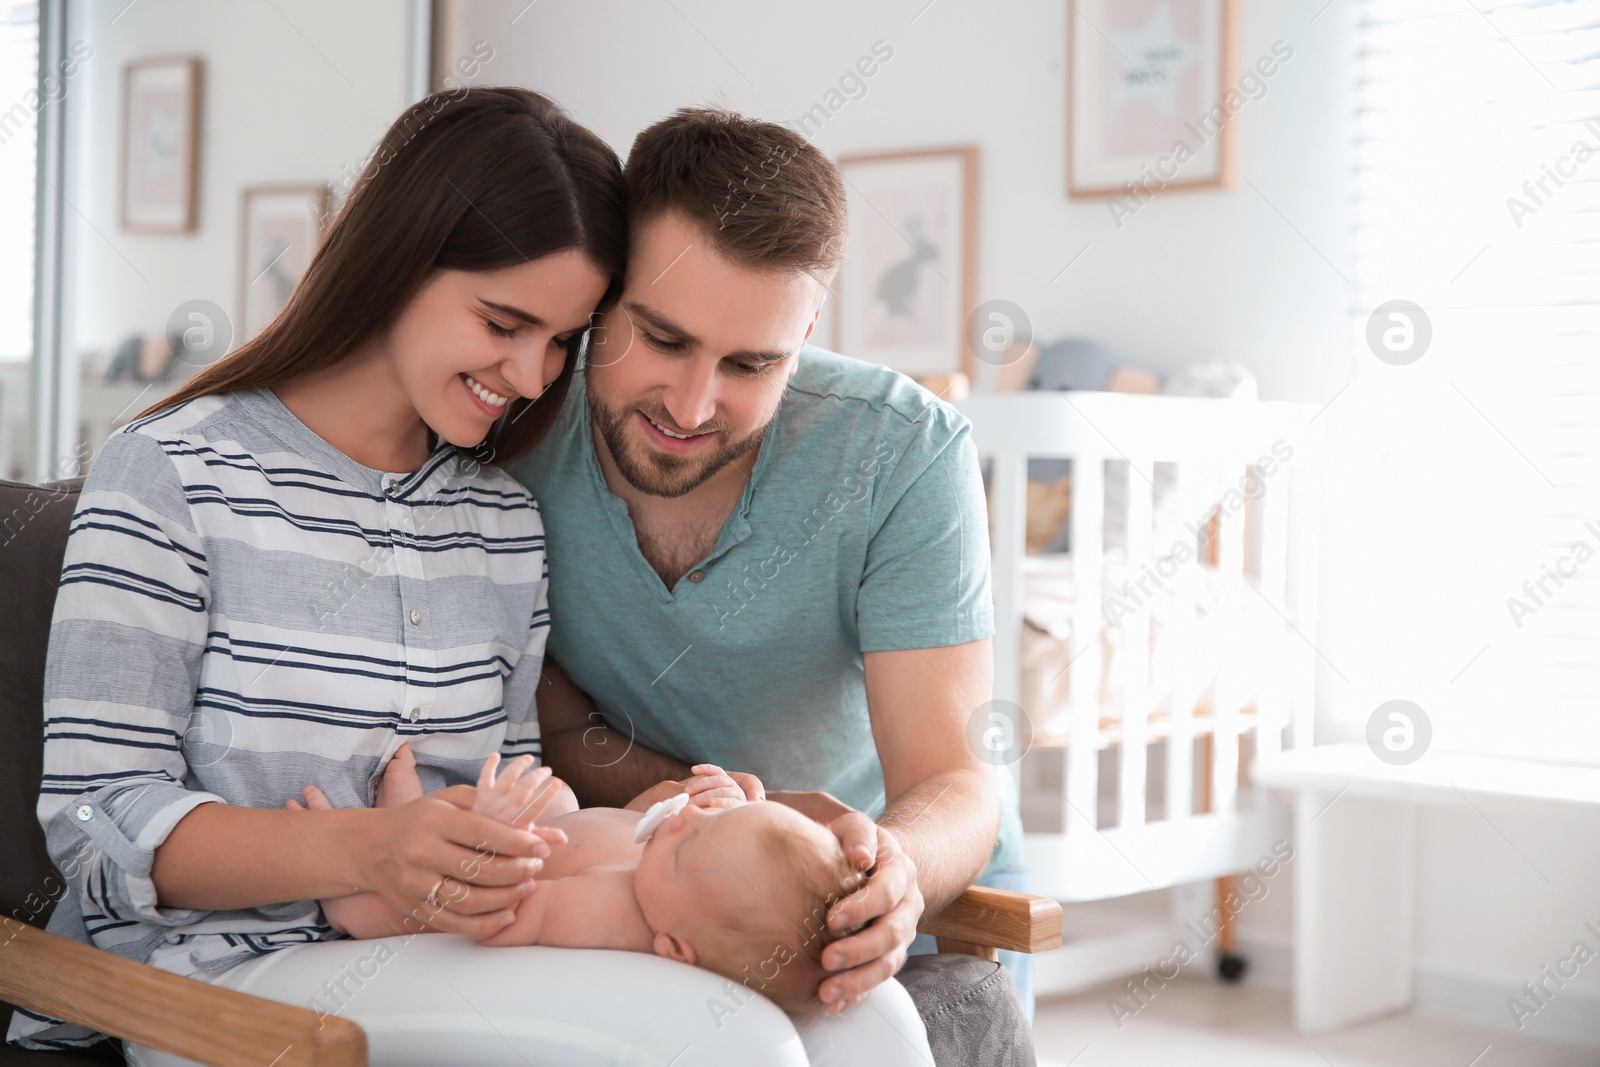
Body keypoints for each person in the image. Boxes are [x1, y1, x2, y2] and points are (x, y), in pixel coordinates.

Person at [7, 87, 930, 1066]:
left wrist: (686, 822)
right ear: (397, 261)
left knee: (867, 1016)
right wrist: (364, 849)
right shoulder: (172, 472)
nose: (533, 376)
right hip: (220, 976)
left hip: (463, 943)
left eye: (562, 340)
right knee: (726, 1044)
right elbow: (94, 816)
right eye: (503, 321)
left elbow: (520, 796)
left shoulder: (498, 520)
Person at [510, 107, 1033, 1015]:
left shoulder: (901, 450)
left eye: (751, 363)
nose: (691, 402)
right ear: (602, 291)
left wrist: (894, 875)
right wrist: (693, 814)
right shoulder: (516, 425)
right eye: (663, 338)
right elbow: (555, 725)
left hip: (883, 878)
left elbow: (952, 779)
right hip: (660, 876)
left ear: (810, 328)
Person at [290, 746, 873, 1017]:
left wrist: (490, 839)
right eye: (718, 820)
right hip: (571, 828)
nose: (689, 818)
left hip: (466, 897)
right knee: (559, 796)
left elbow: (496, 915)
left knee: (390, 916)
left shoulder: (605, 913)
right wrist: (723, 803)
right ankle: (410, 826)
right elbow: (638, 819)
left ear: (672, 949)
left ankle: (345, 870)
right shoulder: (687, 890)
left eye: (695, 839)